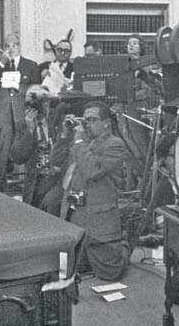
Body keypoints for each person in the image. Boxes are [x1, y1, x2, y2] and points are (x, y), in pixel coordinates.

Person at [59, 101, 130, 281]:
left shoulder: (115, 144)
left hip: (99, 224)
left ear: (106, 123)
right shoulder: (82, 143)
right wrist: (64, 135)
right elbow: (55, 161)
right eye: (85, 120)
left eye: (92, 120)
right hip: (75, 218)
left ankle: (125, 245)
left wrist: (80, 140)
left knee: (109, 274)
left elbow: (92, 171)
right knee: (65, 272)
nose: (87, 124)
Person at [0, 39, 40, 191]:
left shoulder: (31, 65)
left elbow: (36, 89)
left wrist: (21, 90)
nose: (11, 48)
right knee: (1, 155)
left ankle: (28, 191)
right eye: (7, 46)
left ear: (19, 46)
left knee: (26, 150)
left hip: (23, 113)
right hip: (2, 115)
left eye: (14, 45)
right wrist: (2, 61)